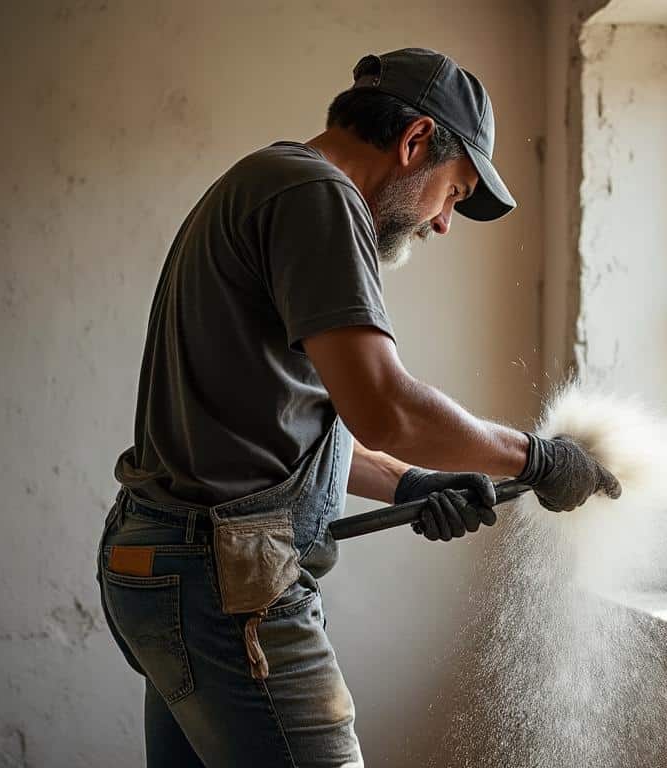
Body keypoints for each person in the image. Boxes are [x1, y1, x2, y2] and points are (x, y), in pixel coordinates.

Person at [96, 47, 620, 767]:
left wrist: (412, 483)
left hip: (170, 567)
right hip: (226, 585)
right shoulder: (318, 196)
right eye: (455, 193)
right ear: (414, 143)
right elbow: (387, 409)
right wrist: (539, 458)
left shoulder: (271, 183)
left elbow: (292, 430)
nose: (442, 223)